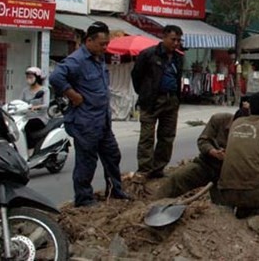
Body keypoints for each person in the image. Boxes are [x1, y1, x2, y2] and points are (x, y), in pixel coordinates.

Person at [49, 21, 128, 207]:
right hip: (85, 122)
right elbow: (55, 77)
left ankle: (115, 190)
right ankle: (84, 199)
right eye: (101, 44)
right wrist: (73, 95)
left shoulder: (98, 58)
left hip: (102, 120)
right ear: (89, 41)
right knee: (87, 161)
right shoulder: (77, 60)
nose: (105, 47)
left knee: (112, 155)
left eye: (106, 43)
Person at [132, 25, 184, 180]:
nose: (176, 43)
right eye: (173, 39)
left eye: (178, 40)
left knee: (167, 136)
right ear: (164, 37)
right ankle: (144, 169)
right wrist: (144, 94)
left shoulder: (178, 57)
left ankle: (158, 169)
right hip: (151, 101)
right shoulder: (148, 55)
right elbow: (136, 76)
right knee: (147, 136)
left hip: (171, 100)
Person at [155, 108, 240, 199]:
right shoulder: (219, 120)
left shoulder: (252, 134)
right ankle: (154, 204)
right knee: (176, 179)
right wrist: (213, 152)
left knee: (222, 204)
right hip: (207, 164)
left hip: (229, 173)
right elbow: (203, 141)